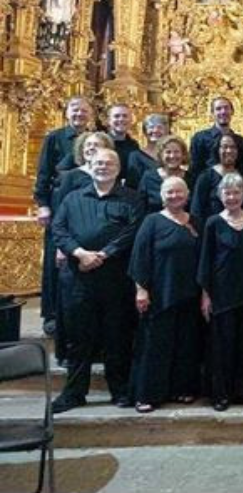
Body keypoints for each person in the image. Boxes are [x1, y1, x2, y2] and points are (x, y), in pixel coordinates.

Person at [51, 148, 144, 413]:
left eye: (109, 163)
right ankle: (75, 393)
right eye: (99, 163)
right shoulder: (72, 198)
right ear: (89, 165)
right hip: (78, 278)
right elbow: (59, 229)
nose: (103, 167)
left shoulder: (131, 198)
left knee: (117, 336)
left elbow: (132, 231)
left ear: (118, 168)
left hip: (115, 278)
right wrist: (80, 253)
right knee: (78, 338)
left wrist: (104, 254)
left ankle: (120, 390)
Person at [129, 176, 202, 412]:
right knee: (154, 345)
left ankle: (181, 389)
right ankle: (147, 394)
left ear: (187, 195)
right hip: (160, 293)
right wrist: (141, 289)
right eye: (169, 192)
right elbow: (139, 257)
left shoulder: (195, 222)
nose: (175, 196)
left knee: (186, 344)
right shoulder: (152, 222)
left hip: (189, 293)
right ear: (162, 196)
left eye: (179, 192)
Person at [198, 173, 243, 411]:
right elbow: (205, 260)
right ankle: (221, 394)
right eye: (227, 193)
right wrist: (205, 294)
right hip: (221, 292)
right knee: (222, 345)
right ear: (220, 196)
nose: (232, 197)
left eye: (236, 192)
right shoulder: (213, 222)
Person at [35, 96, 94, 336]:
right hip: (59, 204)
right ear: (67, 112)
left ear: (90, 114)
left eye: (83, 111)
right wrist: (43, 205)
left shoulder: (94, 139)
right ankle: (51, 315)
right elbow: (43, 172)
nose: (79, 114)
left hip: (86, 206)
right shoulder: (54, 137)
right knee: (55, 262)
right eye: (75, 110)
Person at [190, 133, 243, 228]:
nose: (229, 151)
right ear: (217, 150)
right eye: (224, 147)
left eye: (233, 147)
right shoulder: (206, 177)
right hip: (212, 231)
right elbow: (196, 210)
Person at [189, 97, 243, 179]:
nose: (223, 112)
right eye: (218, 109)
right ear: (212, 113)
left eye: (226, 108)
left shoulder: (240, 141)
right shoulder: (199, 138)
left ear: (232, 111)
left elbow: (242, 168)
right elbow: (195, 169)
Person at [137, 135, 190, 214]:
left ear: (183, 155)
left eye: (176, 152)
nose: (172, 156)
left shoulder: (191, 178)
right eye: (168, 152)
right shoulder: (148, 178)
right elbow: (140, 206)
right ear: (160, 155)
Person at [126, 114, 170, 189]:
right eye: (151, 127)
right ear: (145, 131)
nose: (155, 130)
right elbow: (132, 185)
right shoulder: (135, 156)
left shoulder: (172, 155)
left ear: (167, 131)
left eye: (159, 127)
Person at [106, 104, 141, 181]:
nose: (121, 119)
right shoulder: (102, 143)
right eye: (116, 116)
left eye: (125, 116)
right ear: (109, 121)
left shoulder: (134, 145)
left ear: (131, 120)